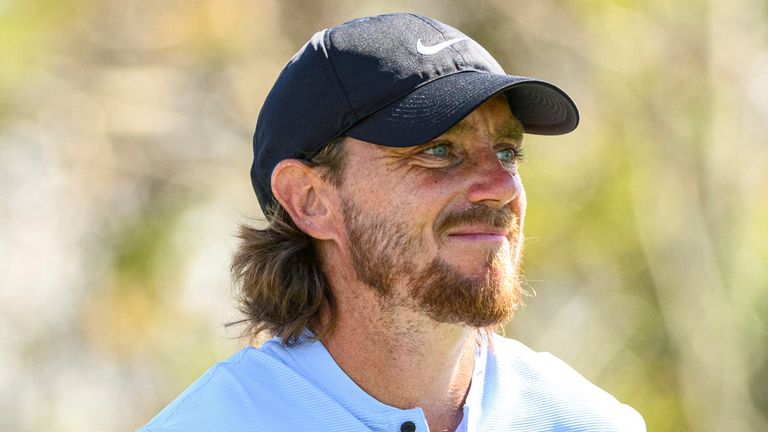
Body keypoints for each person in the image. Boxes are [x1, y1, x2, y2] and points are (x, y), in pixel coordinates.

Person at [139, 13, 646, 432]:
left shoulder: (589, 422)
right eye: (439, 150)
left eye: (507, 151)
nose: (500, 186)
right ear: (311, 200)